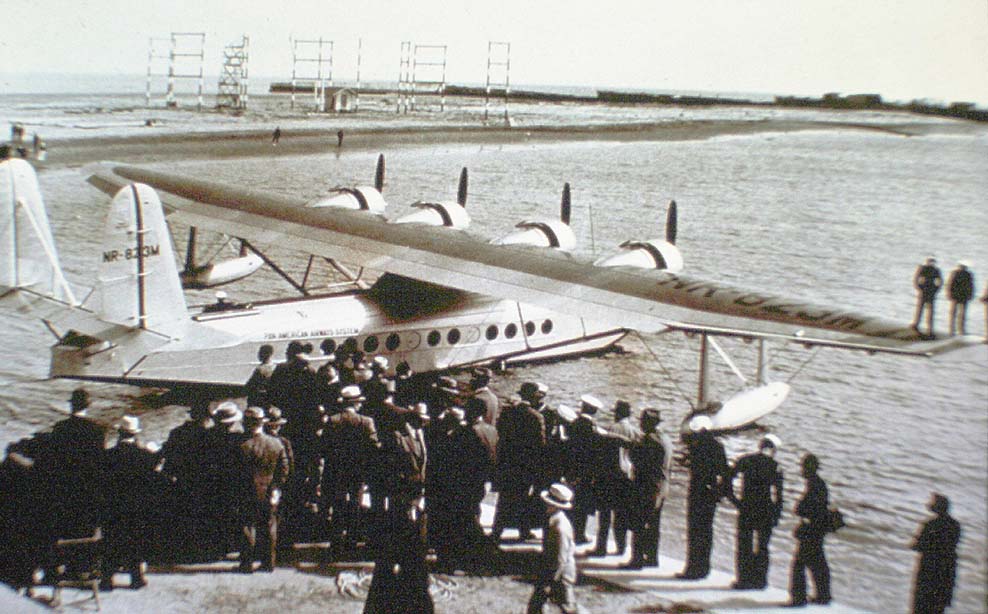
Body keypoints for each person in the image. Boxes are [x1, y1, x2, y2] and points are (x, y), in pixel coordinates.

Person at [100, 416, 159, 590]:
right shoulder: (143, 456)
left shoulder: (108, 455)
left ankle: (107, 579)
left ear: (119, 433)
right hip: (136, 506)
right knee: (136, 542)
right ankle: (136, 578)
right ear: (135, 434)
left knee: (111, 541)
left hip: (113, 505)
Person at [727, 434, 784, 589]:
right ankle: (760, 580)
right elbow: (779, 496)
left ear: (760, 445)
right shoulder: (775, 466)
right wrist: (777, 515)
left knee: (744, 544)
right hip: (765, 509)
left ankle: (743, 580)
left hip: (746, 507)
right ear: (773, 450)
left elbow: (727, 480)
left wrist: (735, 501)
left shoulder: (746, 460)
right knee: (763, 547)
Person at [238, 407, 290, 573]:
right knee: (269, 525)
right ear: (263, 423)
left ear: (246, 424)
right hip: (268, 490)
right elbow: (284, 469)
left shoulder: (240, 445)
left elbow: (232, 471)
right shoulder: (276, 443)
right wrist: (276, 488)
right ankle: (269, 563)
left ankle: (246, 563)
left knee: (247, 525)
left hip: (246, 490)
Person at [677, 415, 729, 580]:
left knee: (694, 530)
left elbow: (688, 464)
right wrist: (719, 493)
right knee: (707, 531)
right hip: (711, 492)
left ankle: (692, 568)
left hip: (697, 491)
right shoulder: (718, 447)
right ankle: (704, 567)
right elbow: (725, 472)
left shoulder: (697, 446)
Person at [626, 408, 672, 569]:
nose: (640, 424)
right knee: (654, 524)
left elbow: (637, 459)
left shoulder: (649, 440)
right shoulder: (665, 438)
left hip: (647, 486)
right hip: (662, 485)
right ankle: (652, 557)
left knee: (639, 523)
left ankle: (636, 560)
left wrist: (632, 447)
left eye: (642, 422)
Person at [594, 400, 640, 558]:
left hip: (609, 476)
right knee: (621, 515)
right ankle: (621, 547)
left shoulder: (611, 429)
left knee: (605, 515)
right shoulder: (635, 432)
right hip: (626, 478)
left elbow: (602, 455)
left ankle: (601, 548)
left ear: (617, 413)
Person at [528, 483, 580, 614]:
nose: (545, 505)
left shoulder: (560, 527)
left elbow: (560, 558)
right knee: (538, 605)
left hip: (560, 575)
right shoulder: (555, 521)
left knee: (568, 607)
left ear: (554, 505)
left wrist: (550, 580)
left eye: (547, 503)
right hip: (553, 572)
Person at [788, 453, 831, 607]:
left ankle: (798, 598)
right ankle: (823, 595)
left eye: (803, 466)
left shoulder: (814, 485)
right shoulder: (818, 484)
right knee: (818, 562)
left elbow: (805, 509)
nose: (802, 469)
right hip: (818, 529)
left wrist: (800, 508)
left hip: (812, 529)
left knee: (799, 564)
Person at [910, 493, 960, 614]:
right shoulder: (955, 525)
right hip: (947, 568)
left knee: (921, 605)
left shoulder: (930, 524)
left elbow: (918, 546)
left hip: (929, 568)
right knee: (939, 606)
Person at [912, 257, 943, 337]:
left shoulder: (935, 270)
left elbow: (940, 282)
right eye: (930, 262)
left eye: (932, 262)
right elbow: (916, 279)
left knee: (929, 311)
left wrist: (936, 290)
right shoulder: (924, 268)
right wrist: (919, 287)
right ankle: (917, 324)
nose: (931, 263)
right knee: (921, 309)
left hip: (930, 291)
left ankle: (929, 328)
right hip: (925, 290)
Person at [947, 261, 975, 336]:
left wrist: (970, 295)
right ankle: (954, 330)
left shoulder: (967, 274)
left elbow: (971, 286)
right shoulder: (959, 273)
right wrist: (949, 294)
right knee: (957, 314)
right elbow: (950, 284)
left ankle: (958, 330)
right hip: (958, 296)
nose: (963, 268)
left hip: (961, 296)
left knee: (959, 314)